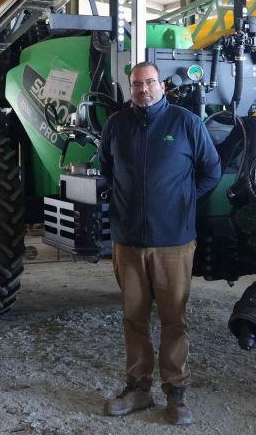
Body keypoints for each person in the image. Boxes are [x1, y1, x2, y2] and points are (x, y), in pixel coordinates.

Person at [99, 61, 221, 425]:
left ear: (162, 86)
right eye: (136, 84)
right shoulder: (116, 126)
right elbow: (107, 169)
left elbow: (211, 170)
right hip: (129, 242)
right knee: (134, 318)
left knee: (173, 319)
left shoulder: (185, 123)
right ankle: (138, 389)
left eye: (150, 82)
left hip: (174, 242)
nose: (143, 89)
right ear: (130, 87)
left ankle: (176, 394)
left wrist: (184, 200)